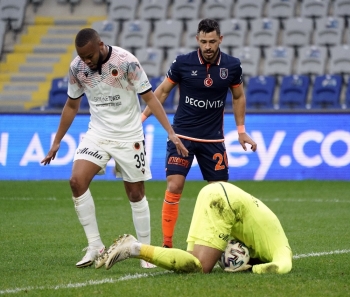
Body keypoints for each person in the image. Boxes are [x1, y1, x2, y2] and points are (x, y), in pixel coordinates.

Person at [41, 28, 188, 269]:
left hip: (129, 135)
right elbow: (71, 105)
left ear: (100, 44)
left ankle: (146, 254)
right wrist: (57, 141)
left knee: (135, 193)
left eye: (89, 56)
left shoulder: (127, 62)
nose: (86, 62)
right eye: (82, 57)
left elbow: (150, 98)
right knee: (76, 182)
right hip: (97, 134)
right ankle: (95, 246)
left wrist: (170, 132)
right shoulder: (77, 68)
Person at [141, 19, 257, 248]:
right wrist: (141, 119)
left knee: (220, 193)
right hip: (182, 135)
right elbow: (162, 91)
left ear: (220, 40)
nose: (208, 46)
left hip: (213, 138)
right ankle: (166, 245)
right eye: (203, 41)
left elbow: (238, 97)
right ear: (197, 40)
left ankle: (221, 244)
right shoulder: (183, 63)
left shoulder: (232, 66)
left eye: (212, 41)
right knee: (174, 185)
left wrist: (241, 131)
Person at [95, 182, 293, 274]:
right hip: (225, 202)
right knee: (201, 267)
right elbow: (282, 267)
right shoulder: (280, 249)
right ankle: (135, 248)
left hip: (214, 192)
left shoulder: (265, 237)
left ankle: (136, 248)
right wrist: (251, 270)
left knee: (189, 263)